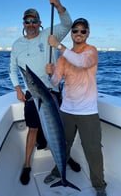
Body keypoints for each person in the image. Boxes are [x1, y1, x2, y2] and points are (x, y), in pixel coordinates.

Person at [9, 0, 80, 186]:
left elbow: (67, 24)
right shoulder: (17, 45)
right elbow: (13, 68)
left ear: (39, 22)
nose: (30, 24)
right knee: (33, 129)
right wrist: (17, 88)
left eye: (34, 21)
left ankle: (66, 157)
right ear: (23, 23)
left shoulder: (49, 33)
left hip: (53, 90)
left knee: (60, 129)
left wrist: (57, 4)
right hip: (34, 94)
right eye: (27, 21)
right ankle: (26, 165)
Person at [45, 18, 107, 196]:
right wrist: (50, 74)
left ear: (88, 33)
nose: (78, 34)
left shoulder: (91, 51)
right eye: (75, 30)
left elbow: (81, 62)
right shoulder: (64, 58)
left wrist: (58, 46)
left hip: (88, 111)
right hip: (67, 110)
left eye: (82, 31)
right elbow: (56, 82)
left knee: (93, 150)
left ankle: (99, 185)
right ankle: (58, 171)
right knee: (62, 145)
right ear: (71, 33)